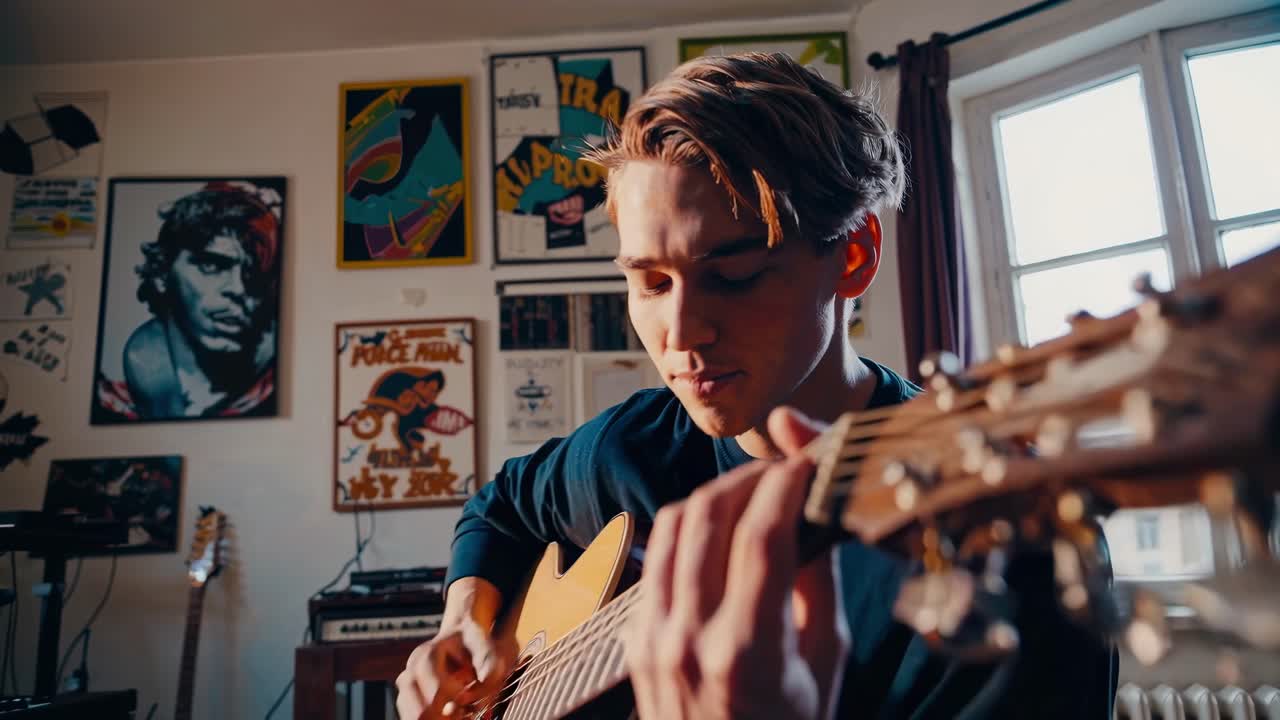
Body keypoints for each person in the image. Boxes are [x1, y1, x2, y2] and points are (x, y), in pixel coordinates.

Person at [397, 52, 1116, 719]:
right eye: (649, 282)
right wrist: (464, 619)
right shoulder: (633, 450)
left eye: (733, 276)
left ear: (854, 255)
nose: (680, 334)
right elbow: (499, 509)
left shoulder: (1011, 556)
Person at [115, 182, 280, 419]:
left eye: (252, 273)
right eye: (212, 266)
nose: (238, 288)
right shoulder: (126, 383)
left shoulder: (274, 378)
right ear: (162, 273)